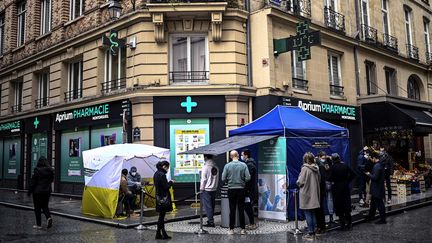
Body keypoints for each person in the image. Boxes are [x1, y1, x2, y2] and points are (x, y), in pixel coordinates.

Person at [221, 150, 251, 235]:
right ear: (237, 155)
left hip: (231, 189)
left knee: (232, 209)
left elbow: (223, 178)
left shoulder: (227, 166)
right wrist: (242, 180)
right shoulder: (243, 165)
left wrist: (229, 180)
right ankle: (243, 229)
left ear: (231, 157)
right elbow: (248, 178)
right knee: (241, 209)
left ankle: (231, 229)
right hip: (241, 189)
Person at [297, 152, 320, 241]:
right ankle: (314, 231)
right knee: (313, 213)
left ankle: (310, 233)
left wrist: (297, 182)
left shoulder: (305, 169)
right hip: (314, 193)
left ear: (305, 160)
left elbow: (300, 182)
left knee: (307, 213)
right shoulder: (316, 168)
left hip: (306, 193)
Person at [328, 153, 355, 231]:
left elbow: (329, 178)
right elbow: (353, 174)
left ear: (333, 159)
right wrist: (347, 181)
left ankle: (342, 224)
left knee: (339, 207)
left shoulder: (332, 167)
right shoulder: (345, 165)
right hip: (345, 187)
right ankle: (349, 223)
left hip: (336, 188)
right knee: (346, 206)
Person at [28, 156, 54, 230]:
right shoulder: (50, 170)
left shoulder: (37, 170)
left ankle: (38, 225)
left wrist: (29, 191)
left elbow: (33, 182)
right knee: (45, 206)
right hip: (47, 191)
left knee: (37, 208)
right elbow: (51, 180)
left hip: (38, 192)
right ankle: (48, 217)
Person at [154, 161, 174, 240]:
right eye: (168, 167)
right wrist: (171, 182)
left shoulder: (156, 173)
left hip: (159, 197)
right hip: (163, 198)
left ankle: (159, 233)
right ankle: (161, 234)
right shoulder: (162, 175)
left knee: (161, 216)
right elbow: (166, 187)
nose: (168, 169)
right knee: (161, 217)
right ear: (164, 166)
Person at [366, 152, 387, 224]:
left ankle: (383, 219)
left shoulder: (377, 166)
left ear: (376, 158)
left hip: (376, 188)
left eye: (373, 158)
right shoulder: (382, 165)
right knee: (373, 204)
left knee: (379, 204)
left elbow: (375, 177)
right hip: (379, 187)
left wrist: (369, 174)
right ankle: (370, 216)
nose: (373, 159)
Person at [200, 154, 219, 227]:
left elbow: (203, 179)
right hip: (214, 188)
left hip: (206, 189)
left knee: (208, 206)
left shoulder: (205, 167)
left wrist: (201, 188)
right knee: (212, 205)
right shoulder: (216, 166)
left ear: (205, 157)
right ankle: (210, 220)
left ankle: (211, 222)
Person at [241, 149, 258, 230]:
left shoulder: (249, 165)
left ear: (246, 155)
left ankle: (252, 223)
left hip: (249, 190)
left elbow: (248, 179)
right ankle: (251, 222)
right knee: (247, 206)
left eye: (242, 155)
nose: (242, 156)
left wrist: (246, 189)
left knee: (247, 206)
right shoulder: (249, 163)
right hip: (249, 189)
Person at [314, 151, 328, 234]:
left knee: (319, 210)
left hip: (319, 190)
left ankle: (320, 226)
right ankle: (321, 225)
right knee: (320, 209)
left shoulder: (320, 167)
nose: (324, 158)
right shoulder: (321, 166)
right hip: (321, 190)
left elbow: (321, 180)